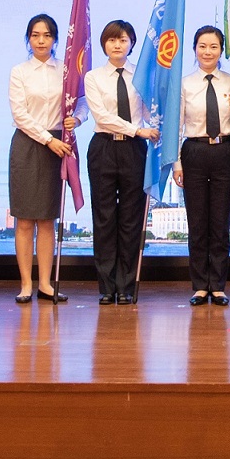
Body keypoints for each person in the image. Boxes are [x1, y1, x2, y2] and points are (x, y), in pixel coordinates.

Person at [83, 18, 155, 305]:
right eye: (112, 40)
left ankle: (126, 285)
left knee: (130, 218)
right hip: (103, 147)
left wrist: (158, 123)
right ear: (104, 44)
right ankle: (107, 286)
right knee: (104, 218)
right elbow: (102, 117)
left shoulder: (142, 76)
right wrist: (138, 129)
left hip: (134, 150)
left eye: (123, 40)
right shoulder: (93, 77)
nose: (117, 45)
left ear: (132, 44)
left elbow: (150, 113)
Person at [7, 13, 73, 305]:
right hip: (28, 143)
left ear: (55, 39)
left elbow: (80, 103)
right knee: (24, 219)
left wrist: (77, 119)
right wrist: (48, 139)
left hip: (58, 145)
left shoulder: (66, 71)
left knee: (47, 220)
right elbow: (19, 114)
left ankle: (45, 284)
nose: (41, 40)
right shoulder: (19, 72)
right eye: (35, 35)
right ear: (28, 39)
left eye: (47, 35)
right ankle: (25, 284)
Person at [178, 24, 230, 305]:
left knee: (220, 221)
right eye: (202, 46)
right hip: (194, 150)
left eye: (214, 46)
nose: (207, 51)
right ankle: (199, 286)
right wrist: (177, 164)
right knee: (197, 221)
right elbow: (177, 125)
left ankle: (218, 285)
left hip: (223, 150)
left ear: (222, 50)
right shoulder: (185, 84)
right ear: (194, 49)